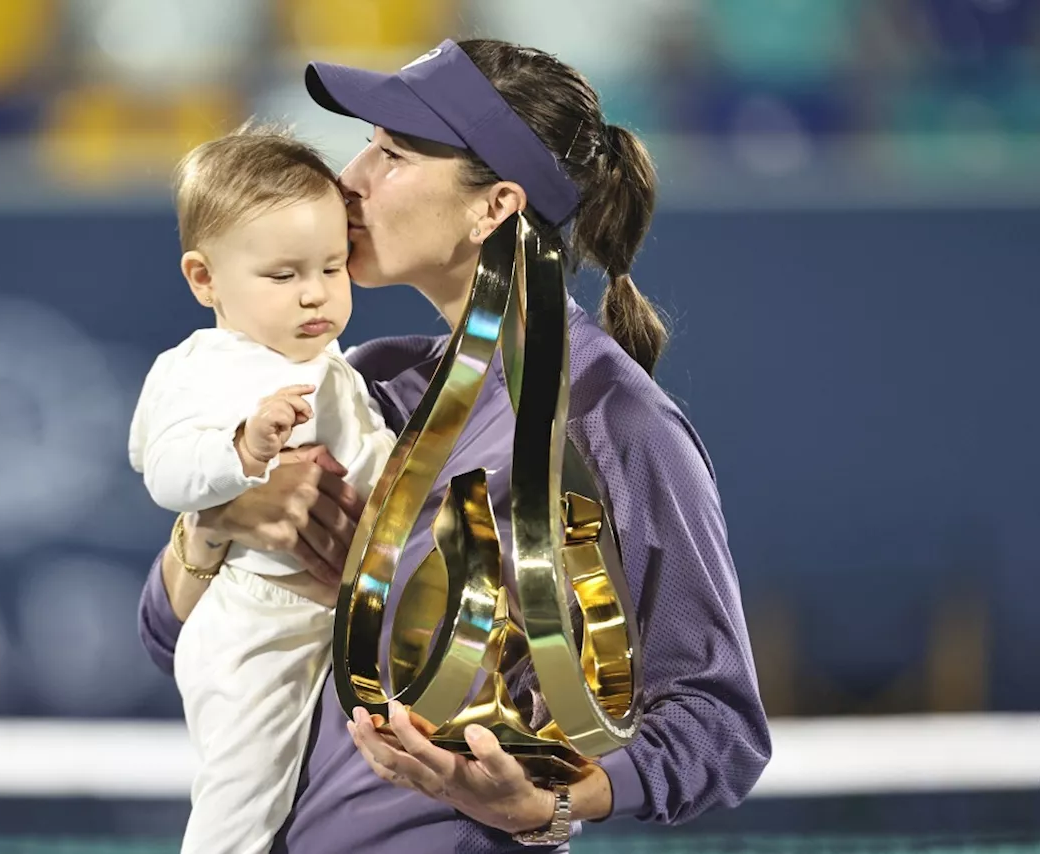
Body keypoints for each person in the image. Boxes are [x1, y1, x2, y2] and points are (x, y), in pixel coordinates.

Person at [138, 38, 771, 853]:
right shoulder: (367, 384)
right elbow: (165, 636)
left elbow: (718, 722)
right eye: (365, 144)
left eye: (392, 153)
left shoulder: (618, 422)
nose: (349, 179)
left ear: (493, 207)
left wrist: (554, 805)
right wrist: (217, 524)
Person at [127, 125, 397, 854]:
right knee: (243, 798)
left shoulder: (335, 362)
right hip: (256, 623)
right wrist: (242, 453)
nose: (315, 294)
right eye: (283, 276)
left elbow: (374, 460)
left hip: (337, 620)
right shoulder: (205, 367)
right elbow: (164, 467)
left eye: (333, 268)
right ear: (204, 278)